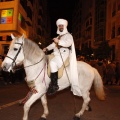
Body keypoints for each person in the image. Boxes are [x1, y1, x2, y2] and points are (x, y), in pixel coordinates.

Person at [43, 18, 81, 96]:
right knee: (44, 60)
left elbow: (68, 43)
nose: (60, 27)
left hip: (64, 53)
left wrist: (59, 42)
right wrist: (46, 48)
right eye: (59, 25)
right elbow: (53, 45)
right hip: (56, 53)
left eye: (62, 25)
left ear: (65, 26)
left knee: (53, 63)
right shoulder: (59, 36)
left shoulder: (68, 35)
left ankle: (54, 85)